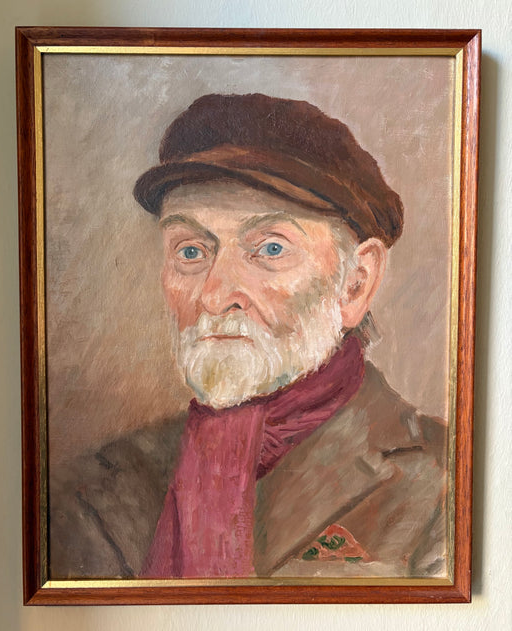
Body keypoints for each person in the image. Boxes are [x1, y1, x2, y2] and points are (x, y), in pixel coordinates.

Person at [50, 93, 447, 580]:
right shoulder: (87, 488)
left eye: (270, 248)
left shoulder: (445, 483)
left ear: (355, 284)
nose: (215, 295)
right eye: (191, 251)